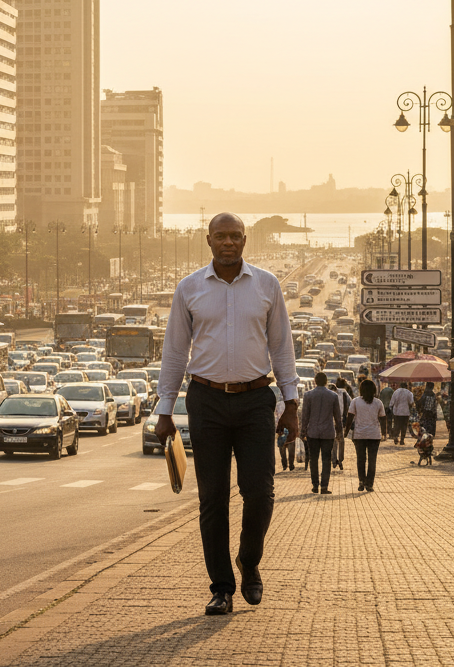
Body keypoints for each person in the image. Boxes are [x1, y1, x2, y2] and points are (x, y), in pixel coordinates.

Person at [155, 213, 299, 616]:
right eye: (221, 236)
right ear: (209, 241)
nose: (229, 242)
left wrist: (291, 403)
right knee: (212, 500)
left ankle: (249, 561)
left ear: (245, 240)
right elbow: (175, 352)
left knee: (260, 494)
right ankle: (221, 588)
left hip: (256, 400)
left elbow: (281, 346)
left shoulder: (267, 285)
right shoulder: (189, 288)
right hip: (206, 400)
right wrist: (165, 410)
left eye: (235, 236)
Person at [299, 372, 343, 494]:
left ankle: (315, 485)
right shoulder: (333, 396)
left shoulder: (308, 395)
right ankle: (324, 486)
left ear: (315, 381)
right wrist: (340, 432)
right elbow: (337, 417)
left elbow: (305, 416)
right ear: (326, 382)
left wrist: (303, 431)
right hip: (328, 432)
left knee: (313, 459)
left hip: (312, 432)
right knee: (326, 459)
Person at [349, 379, 386, 492]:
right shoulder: (378, 403)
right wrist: (384, 433)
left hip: (359, 435)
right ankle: (369, 484)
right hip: (374, 435)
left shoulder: (355, 401)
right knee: (372, 460)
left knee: (361, 459)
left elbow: (350, 417)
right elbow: (383, 419)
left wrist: (346, 431)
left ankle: (361, 481)